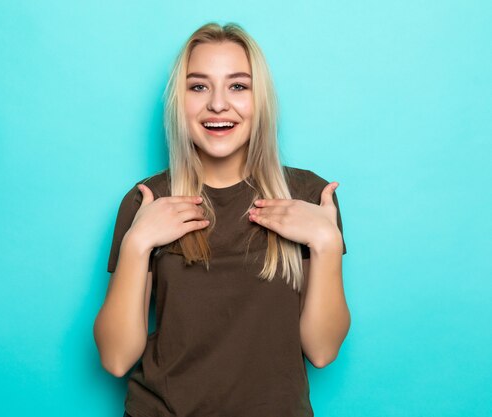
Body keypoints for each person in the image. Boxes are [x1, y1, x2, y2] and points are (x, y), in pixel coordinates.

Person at [93, 22, 350, 417]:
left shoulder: (308, 197)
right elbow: (115, 358)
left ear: (259, 99)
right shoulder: (148, 200)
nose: (217, 104)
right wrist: (137, 244)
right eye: (198, 86)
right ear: (180, 101)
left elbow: (322, 350)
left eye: (237, 86)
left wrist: (327, 244)